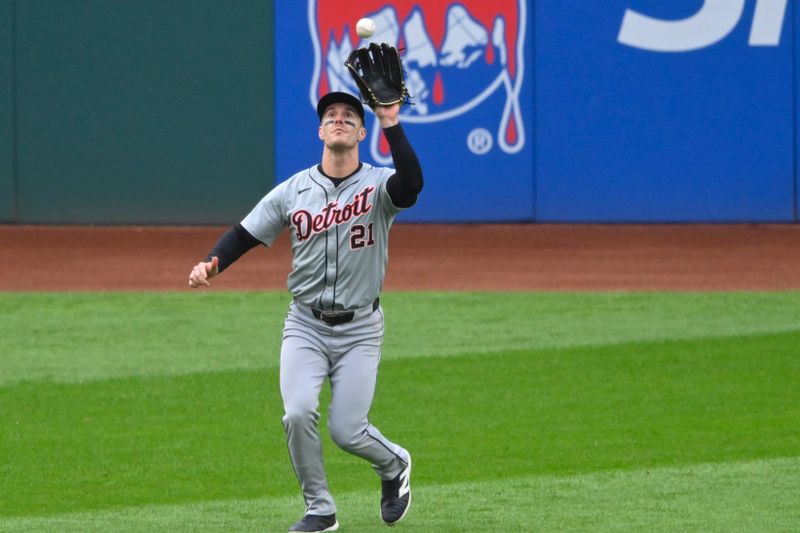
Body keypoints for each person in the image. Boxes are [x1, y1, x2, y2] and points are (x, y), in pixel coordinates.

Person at [188, 91, 423, 532]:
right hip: (305, 326)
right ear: (320, 131)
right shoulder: (293, 189)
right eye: (331, 115)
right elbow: (244, 233)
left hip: (360, 329)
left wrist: (391, 120)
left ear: (360, 131)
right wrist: (213, 262)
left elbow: (411, 187)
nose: (338, 119)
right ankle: (321, 509)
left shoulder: (379, 186)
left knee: (347, 431)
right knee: (297, 412)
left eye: (348, 116)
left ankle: (394, 466)